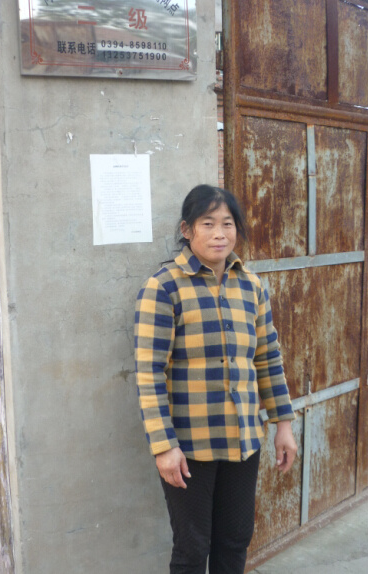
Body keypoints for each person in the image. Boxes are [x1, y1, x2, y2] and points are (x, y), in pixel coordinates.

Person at [134, 184, 297, 574]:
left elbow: (267, 357)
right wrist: (163, 446)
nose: (219, 233)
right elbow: (149, 372)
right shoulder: (164, 287)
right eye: (208, 224)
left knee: (235, 540)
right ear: (187, 230)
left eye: (227, 223)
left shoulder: (251, 286)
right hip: (189, 448)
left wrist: (283, 424)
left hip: (243, 441)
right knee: (192, 550)